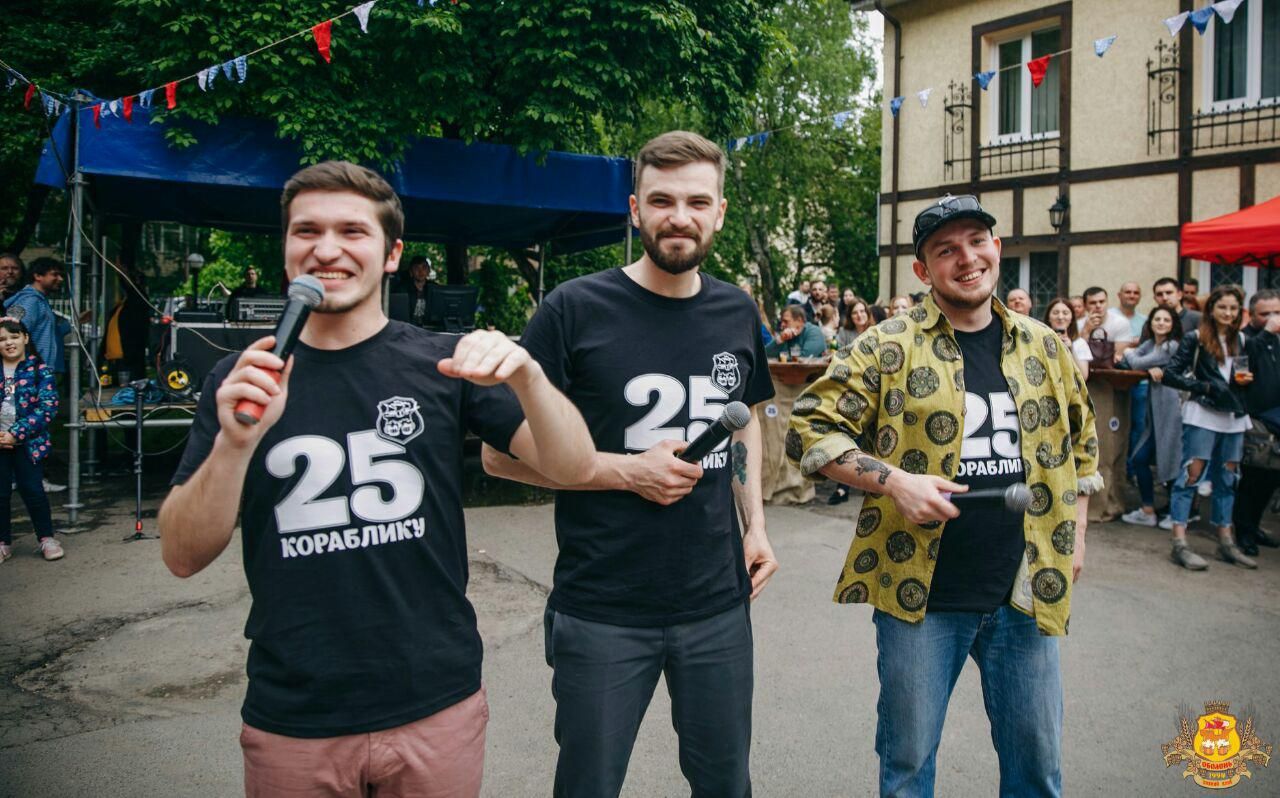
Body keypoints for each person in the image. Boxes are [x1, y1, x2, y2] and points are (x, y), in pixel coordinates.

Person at [157, 160, 595, 796]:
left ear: (392, 254)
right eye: (307, 231)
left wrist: (528, 376)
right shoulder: (243, 378)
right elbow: (181, 555)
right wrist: (235, 443)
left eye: (352, 231)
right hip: (295, 716)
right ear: (286, 248)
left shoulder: (440, 363)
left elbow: (574, 466)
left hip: (435, 704)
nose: (326, 249)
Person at [482, 131, 778, 798]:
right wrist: (624, 471)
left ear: (720, 211)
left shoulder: (735, 309)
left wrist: (755, 526)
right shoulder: (572, 310)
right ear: (635, 208)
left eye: (697, 202)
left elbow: (744, 422)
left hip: (717, 605)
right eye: (662, 200)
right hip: (602, 609)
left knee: (726, 784)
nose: (680, 217)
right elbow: (497, 457)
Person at [790, 194, 1100, 798]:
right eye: (946, 250)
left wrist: (1079, 537)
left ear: (997, 248)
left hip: (1026, 588)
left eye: (977, 242)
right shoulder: (887, 344)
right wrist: (893, 481)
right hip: (920, 593)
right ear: (923, 269)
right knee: (907, 767)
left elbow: (1082, 444)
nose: (967, 259)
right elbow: (809, 427)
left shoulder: (1045, 346)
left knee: (1037, 769)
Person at [1157, 285, 1254, 570]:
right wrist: (1205, 387)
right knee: (1191, 475)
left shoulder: (1242, 339)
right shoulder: (1196, 337)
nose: (1228, 313)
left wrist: (1245, 380)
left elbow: (1242, 374)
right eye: (1222, 307)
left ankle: (1226, 540)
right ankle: (1179, 542)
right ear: (1211, 309)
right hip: (1202, 414)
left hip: (1234, 416)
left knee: (1228, 478)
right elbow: (1170, 374)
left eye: (1233, 308)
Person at [0, 317, 61, 563]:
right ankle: (3, 542)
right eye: (2, 339)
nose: (9, 343)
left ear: (25, 338)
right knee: (0, 494)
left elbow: (48, 408)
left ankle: (46, 538)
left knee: (33, 490)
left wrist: (16, 433)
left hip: (28, 444)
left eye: (14, 337)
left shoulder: (40, 370)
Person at [1118, 307, 1184, 527]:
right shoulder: (1150, 344)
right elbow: (1133, 361)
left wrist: (1131, 353)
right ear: (1151, 322)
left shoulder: (1171, 346)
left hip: (1171, 409)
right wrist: (1147, 364)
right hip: (1155, 410)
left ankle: (1177, 514)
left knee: (1171, 460)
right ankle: (1148, 510)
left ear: (1173, 324)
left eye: (1166, 319)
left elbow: (1135, 361)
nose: (1161, 323)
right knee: (1140, 458)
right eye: (1157, 319)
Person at [1233, 289, 1280, 556]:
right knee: (1253, 478)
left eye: (1277, 312)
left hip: (1276, 418)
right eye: (1265, 314)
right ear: (1251, 314)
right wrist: (1267, 334)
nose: (1273, 318)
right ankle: (1244, 531)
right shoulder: (1246, 338)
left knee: (1271, 479)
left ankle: (1255, 526)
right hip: (1255, 419)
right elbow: (1240, 370)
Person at [4, 258, 64, 378]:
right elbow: (11, 332)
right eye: (55, 274)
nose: (60, 279)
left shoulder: (39, 300)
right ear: (38, 276)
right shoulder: (30, 301)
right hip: (30, 373)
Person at [1078, 286, 1134, 363]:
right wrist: (1086, 331)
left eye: (1102, 302)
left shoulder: (1121, 322)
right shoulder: (1078, 324)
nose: (1098, 306)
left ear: (1107, 302)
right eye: (1093, 303)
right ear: (1085, 306)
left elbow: (1118, 355)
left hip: (1112, 367)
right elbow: (1078, 353)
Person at [1042, 297, 1093, 379]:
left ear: (1071, 318)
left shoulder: (1079, 343)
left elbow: (1083, 377)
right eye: (1055, 313)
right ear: (1048, 317)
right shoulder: (1039, 340)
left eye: (1065, 313)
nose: (1060, 317)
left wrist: (1070, 350)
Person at [396, 254, 433, 326]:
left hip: (429, 327)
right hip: (408, 326)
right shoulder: (402, 289)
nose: (421, 271)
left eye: (424, 267)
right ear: (411, 272)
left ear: (428, 271)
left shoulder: (434, 288)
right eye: (416, 268)